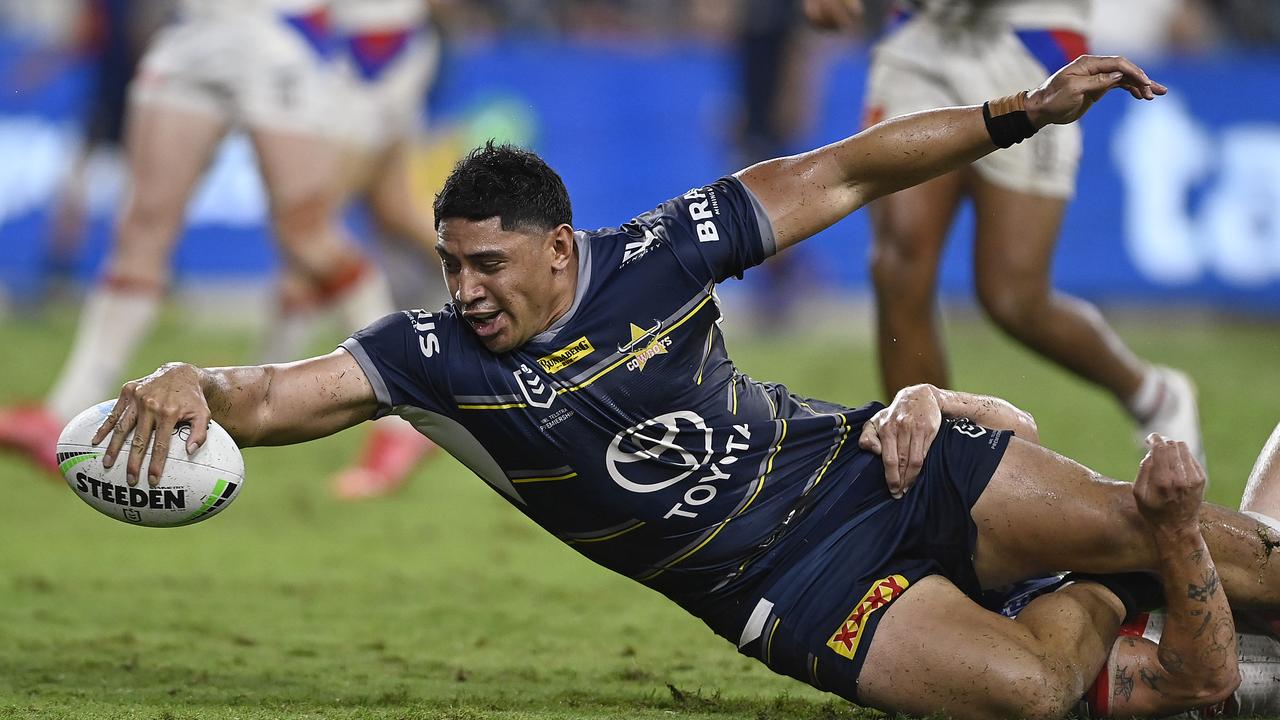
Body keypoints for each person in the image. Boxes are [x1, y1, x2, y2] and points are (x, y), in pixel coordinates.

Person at [92, 56, 1280, 719]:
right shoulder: (427, 359)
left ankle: (1121, 582)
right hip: (788, 583)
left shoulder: (661, 250)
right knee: (1027, 693)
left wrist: (1013, 113)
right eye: (451, 264)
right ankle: (1088, 589)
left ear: (560, 248)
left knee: (1244, 563)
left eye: (487, 264)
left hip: (869, 461)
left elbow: (845, 167)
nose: (463, 289)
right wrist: (189, 378)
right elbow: (270, 395)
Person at [0, 0, 398, 476]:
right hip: (194, 33)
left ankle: (402, 420)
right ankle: (64, 412)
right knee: (143, 225)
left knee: (306, 234)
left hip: (277, 33)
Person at [807, 0, 1205, 464]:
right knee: (897, 263)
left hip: (1030, 37)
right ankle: (932, 475)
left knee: (1013, 297)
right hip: (921, 36)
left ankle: (1153, 395)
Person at [260, 0, 448, 500]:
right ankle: (528, 300)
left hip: (374, 54)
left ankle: (399, 422)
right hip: (379, 50)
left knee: (307, 229)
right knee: (394, 213)